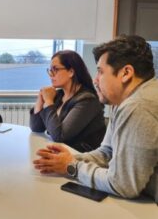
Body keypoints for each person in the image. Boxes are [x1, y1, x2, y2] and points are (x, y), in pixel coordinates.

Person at [33, 35, 158, 202]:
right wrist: (69, 160)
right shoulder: (121, 102)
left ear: (126, 73)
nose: (95, 80)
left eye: (100, 71)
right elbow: (107, 153)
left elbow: (123, 185)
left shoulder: (138, 105)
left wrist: (71, 167)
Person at [30, 50, 106, 152]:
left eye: (55, 69)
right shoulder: (59, 95)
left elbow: (60, 136)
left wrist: (48, 101)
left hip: (83, 159)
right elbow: (36, 128)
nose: (51, 74)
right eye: (50, 70)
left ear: (71, 72)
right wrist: (41, 99)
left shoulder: (87, 100)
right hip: (63, 153)